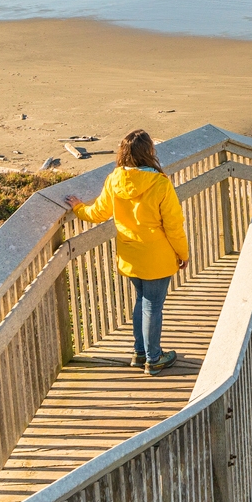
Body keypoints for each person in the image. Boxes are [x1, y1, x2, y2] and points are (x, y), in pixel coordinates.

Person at [64, 129, 189, 374]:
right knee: (153, 305)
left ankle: (139, 352)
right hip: (157, 256)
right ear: (149, 152)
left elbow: (98, 213)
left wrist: (78, 208)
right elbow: (174, 225)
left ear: (123, 153)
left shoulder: (114, 179)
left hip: (130, 254)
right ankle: (154, 359)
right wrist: (182, 254)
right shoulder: (160, 183)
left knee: (142, 301)